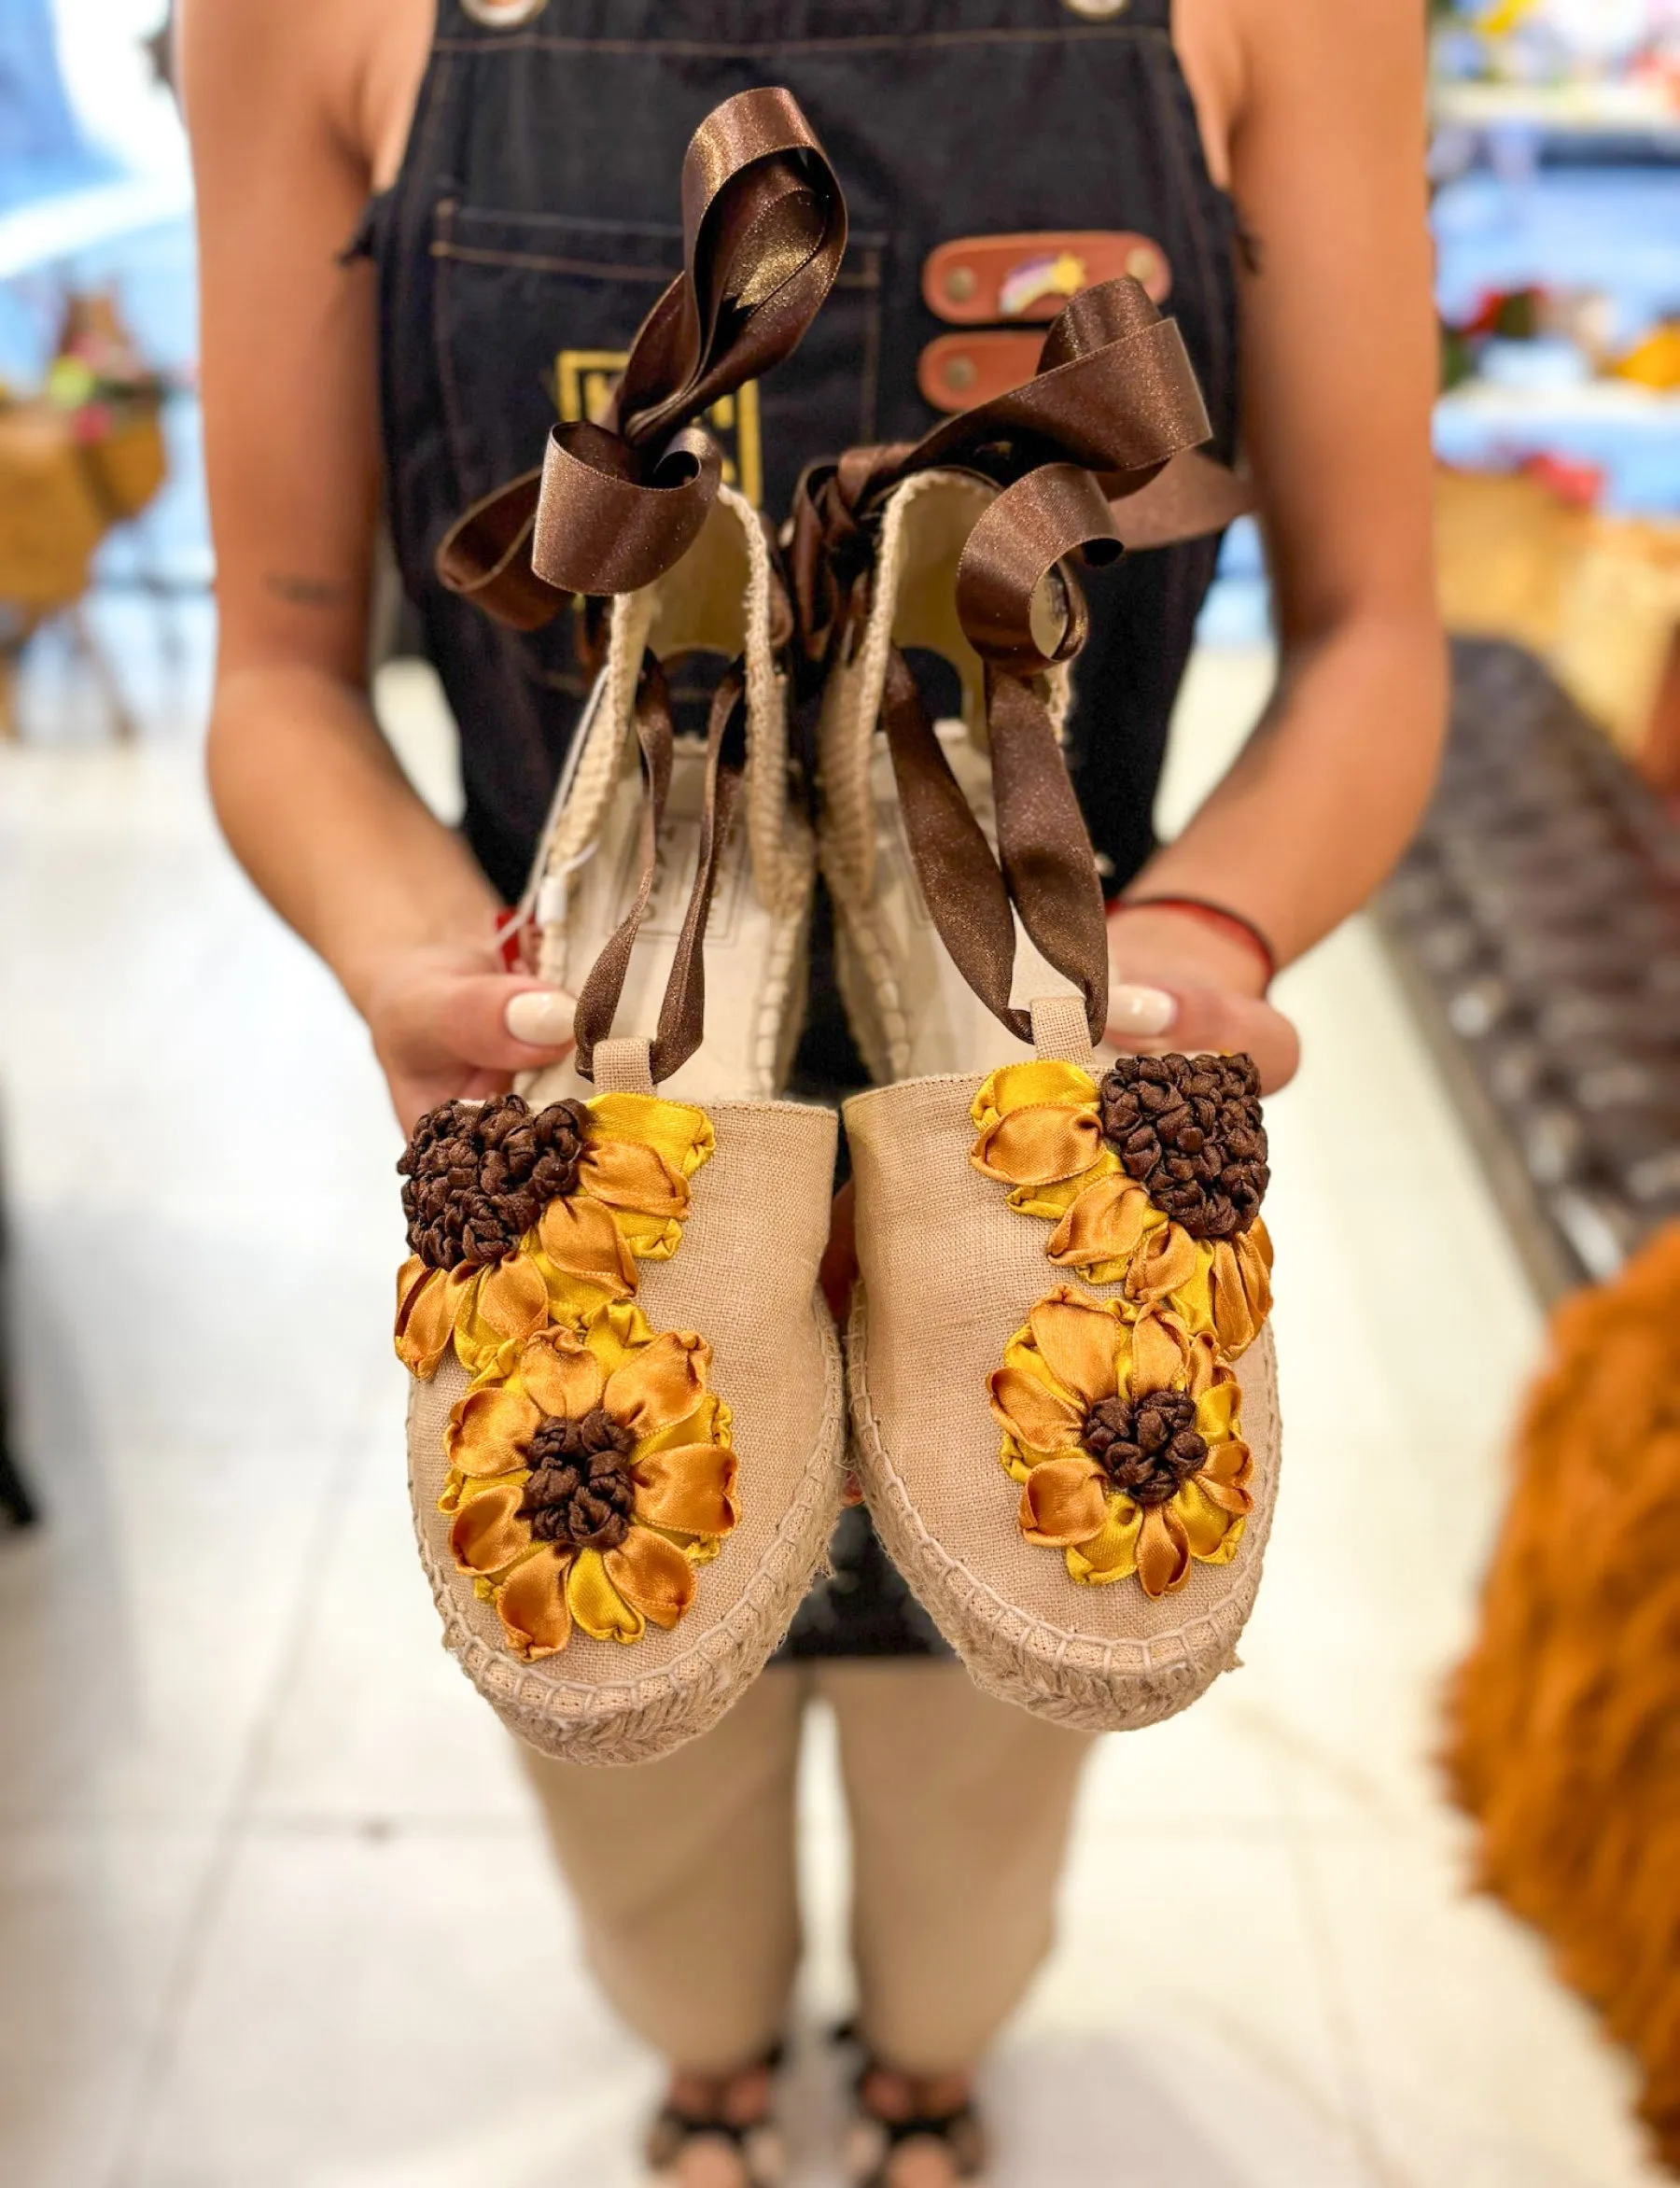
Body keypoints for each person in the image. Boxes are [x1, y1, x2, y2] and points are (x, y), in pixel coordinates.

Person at [179, 2, 1443, 2181]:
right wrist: (417, 958)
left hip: (1051, 1065)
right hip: (582, 1084)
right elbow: (281, 662)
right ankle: (714, 2047)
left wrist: (1211, 936)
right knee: (627, 1692)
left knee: (1012, 1689)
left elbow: (1377, 630)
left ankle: (933, 2050)